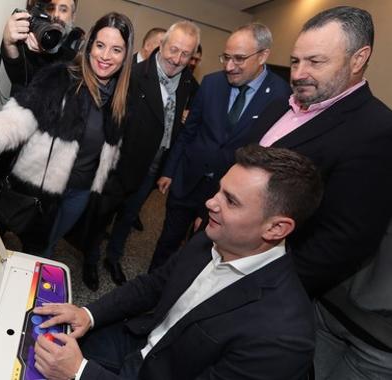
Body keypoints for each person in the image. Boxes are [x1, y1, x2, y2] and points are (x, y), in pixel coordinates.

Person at [31, 145, 324, 380]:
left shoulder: (282, 337)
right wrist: (88, 313)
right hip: (138, 343)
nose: (210, 202)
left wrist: (81, 373)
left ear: (276, 229)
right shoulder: (212, 235)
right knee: (31, 350)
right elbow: (154, 285)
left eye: (231, 201)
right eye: (219, 190)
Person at [244, 6, 392, 377]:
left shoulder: (376, 129)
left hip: (271, 285)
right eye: (294, 61)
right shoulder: (285, 103)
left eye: (315, 61)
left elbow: (344, 239)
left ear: (359, 58)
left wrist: (260, 285)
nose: (298, 73)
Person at [0, 12, 135, 256]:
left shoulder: (121, 101)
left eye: (116, 49)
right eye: (100, 45)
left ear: (126, 56)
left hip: (80, 194)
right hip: (40, 191)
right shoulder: (62, 77)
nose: (105, 56)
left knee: (48, 248)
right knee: (6, 250)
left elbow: (112, 152)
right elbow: (18, 118)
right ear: (89, 46)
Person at [149, 22, 291, 271]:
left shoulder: (280, 96)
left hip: (228, 194)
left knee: (203, 253)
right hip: (187, 180)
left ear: (263, 56)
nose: (229, 66)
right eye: (226, 57)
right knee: (167, 242)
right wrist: (169, 171)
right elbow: (188, 132)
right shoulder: (212, 83)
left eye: (239, 59)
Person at [81, 21, 200, 291]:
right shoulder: (133, 74)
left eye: (185, 54)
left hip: (153, 165)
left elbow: (178, 129)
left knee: (129, 216)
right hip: (122, 162)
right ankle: (90, 260)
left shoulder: (188, 83)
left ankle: (114, 257)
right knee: (104, 215)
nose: (177, 59)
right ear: (162, 45)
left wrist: (167, 168)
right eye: (173, 50)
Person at [1, 0, 83, 95]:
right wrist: (9, 43)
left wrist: (48, 51)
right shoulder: (28, 38)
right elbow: (18, 79)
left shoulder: (76, 57)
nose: (56, 14)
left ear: (73, 17)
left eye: (63, 10)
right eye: (51, 8)